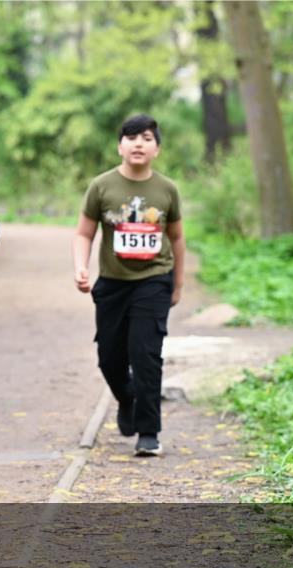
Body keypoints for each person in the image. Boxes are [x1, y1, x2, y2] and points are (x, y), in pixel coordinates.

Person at [72, 114, 186, 457]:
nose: (139, 143)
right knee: (110, 356)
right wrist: (80, 267)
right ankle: (127, 398)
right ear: (120, 145)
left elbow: (177, 238)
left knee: (146, 354)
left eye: (147, 138)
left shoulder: (166, 190)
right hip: (113, 284)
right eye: (131, 137)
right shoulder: (102, 186)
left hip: (154, 281)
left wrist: (177, 283)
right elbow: (84, 233)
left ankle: (149, 432)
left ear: (157, 149)